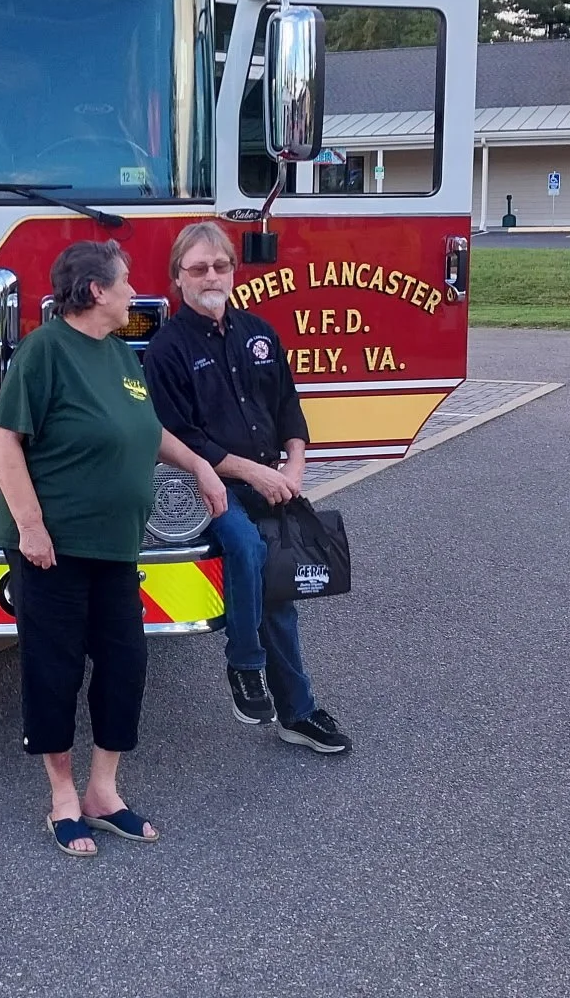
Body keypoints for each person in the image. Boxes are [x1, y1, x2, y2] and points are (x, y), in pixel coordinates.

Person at [0, 239, 228, 856]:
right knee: (55, 671)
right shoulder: (44, 352)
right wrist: (31, 524)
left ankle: (103, 792)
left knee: (124, 668)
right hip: (54, 549)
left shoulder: (120, 354)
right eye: (123, 283)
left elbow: (144, 431)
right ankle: (63, 797)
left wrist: (199, 465)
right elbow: (4, 439)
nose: (131, 292)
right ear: (95, 290)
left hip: (117, 548)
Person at [143, 221, 352, 754]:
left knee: (278, 592)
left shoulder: (259, 333)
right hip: (205, 484)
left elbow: (287, 406)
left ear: (233, 270)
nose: (211, 276)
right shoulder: (167, 348)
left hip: (271, 481)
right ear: (178, 279)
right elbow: (179, 435)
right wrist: (254, 472)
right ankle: (244, 666)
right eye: (197, 268)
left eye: (220, 265)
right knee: (246, 546)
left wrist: (295, 469)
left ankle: (297, 713)